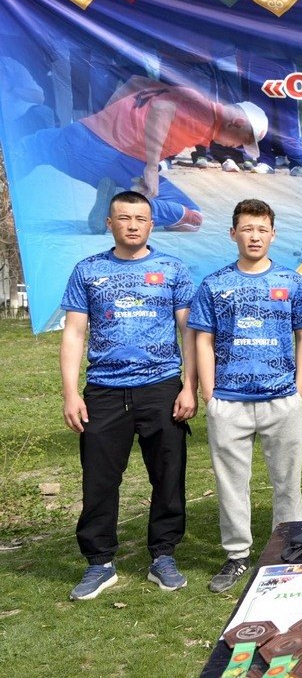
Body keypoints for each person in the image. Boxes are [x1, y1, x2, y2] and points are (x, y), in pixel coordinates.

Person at [60, 190, 196, 600]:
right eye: (124, 218)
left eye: (140, 219)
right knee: (99, 480)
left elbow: (189, 332)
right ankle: (99, 562)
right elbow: (74, 333)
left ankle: (163, 555)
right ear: (110, 223)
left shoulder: (172, 269)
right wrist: (71, 393)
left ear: (151, 224)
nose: (132, 225)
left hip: (161, 386)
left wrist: (189, 386)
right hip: (104, 390)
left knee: (168, 476)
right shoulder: (88, 270)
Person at [188, 198, 302, 593]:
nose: (254, 236)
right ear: (233, 234)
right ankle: (237, 555)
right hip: (229, 401)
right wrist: (210, 394)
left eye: (262, 229)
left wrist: (299, 389)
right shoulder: (215, 284)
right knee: (231, 484)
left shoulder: (291, 282)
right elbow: (203, 340)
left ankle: (288, 548)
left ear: (273, 234)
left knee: (287, 482)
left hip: (281, 399)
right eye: (247, 229)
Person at [17, 76, 268, 233]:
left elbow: (135, 82)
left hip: (77, 137)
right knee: (193, 217)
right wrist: (151, 167)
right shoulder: (206, 114)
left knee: (30, 147)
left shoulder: (189, 97)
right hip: (113, 161)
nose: (238, 147)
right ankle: (121, 205)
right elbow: (162, 109)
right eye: (244, 140)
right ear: (236, 122)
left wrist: (104, 118)